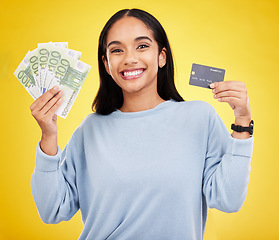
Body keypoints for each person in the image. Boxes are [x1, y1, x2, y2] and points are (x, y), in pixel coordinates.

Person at [30, 8, 254, 240]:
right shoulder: (90, 130)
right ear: (107, 65)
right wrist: (48, 134)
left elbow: (228, 200)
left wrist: (242, 122)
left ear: (162, 56)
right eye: (117, 50)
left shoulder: (200, 118)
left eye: (142, 46)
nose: (129, 58)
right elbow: (52, 210)